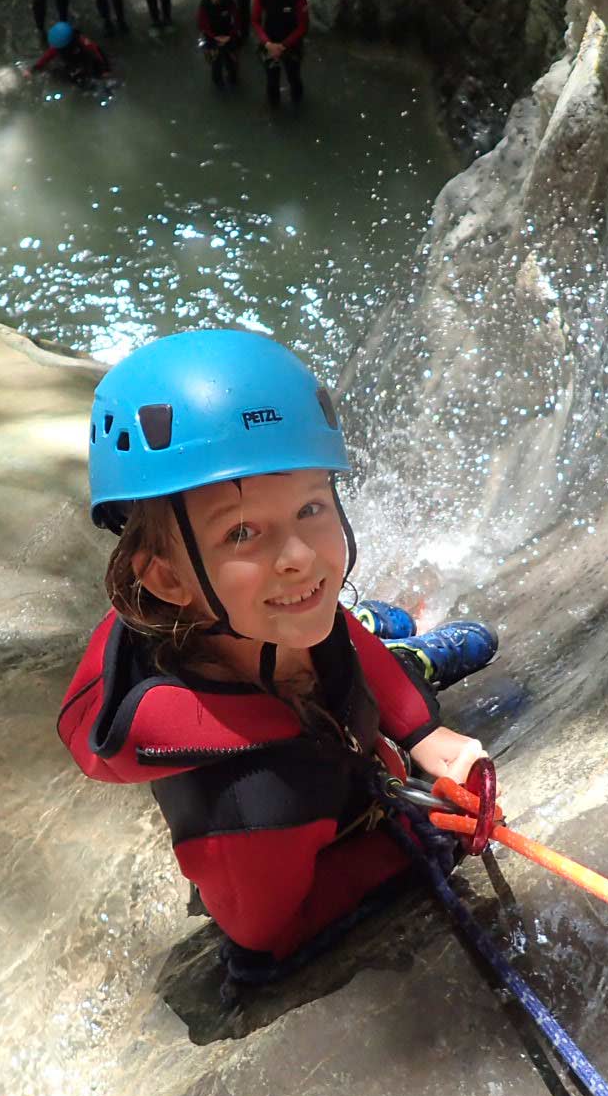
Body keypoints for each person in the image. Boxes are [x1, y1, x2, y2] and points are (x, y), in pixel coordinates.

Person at [57, 330, 499, 974]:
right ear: (168, 579)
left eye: (312, 507)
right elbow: (265, 933)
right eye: (243, 532)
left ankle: (402, 653)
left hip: (278, 648)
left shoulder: (269, 615)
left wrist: (428, 734)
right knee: (308, 636)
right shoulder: (257, 799)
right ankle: (407, 653)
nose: (298, 556)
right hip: (294, 767)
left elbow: (336, 636)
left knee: (324, 618)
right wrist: (415, 842)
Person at [251, 0, 307, 105]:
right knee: (272, 79)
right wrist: (267, 43)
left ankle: (298, 102)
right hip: (270, 40)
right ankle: (274, 104)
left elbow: (303, 25)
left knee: (293, 75)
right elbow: (255, 21)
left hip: (292, 42)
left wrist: (283, 45)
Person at [31, 20, 114, 87]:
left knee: (93, 72)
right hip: (73, 63)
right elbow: (46, 57)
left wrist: (106, 70)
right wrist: (34, 69)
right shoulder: (58, 46)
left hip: (86, 59)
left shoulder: (83, 42)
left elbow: (97, 52)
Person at [195, 0, 241, 88]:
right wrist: (214, 37)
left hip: (228, 36)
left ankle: (233, 77)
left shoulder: (228, 2)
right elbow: (202, 24)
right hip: (213, 38)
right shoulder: (204, 4)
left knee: (231, 59)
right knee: (216, 60)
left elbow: (236, 19)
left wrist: (230, 35)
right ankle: (217, 79)